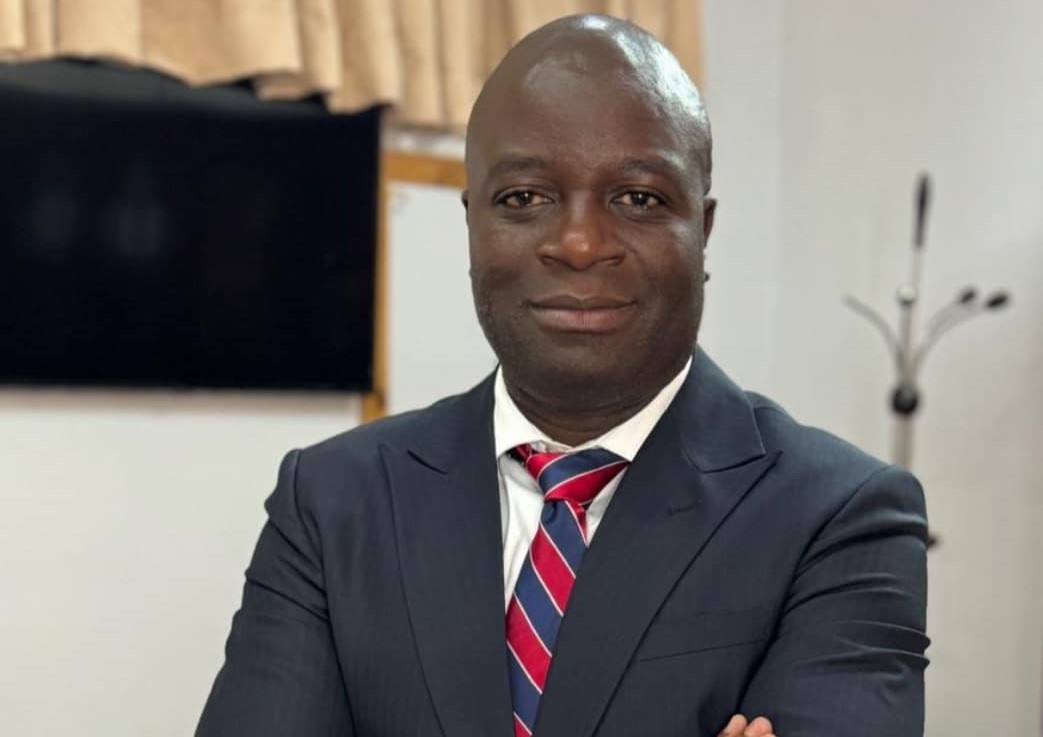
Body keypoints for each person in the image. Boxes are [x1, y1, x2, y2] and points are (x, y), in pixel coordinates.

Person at [196, 14, 928, 737]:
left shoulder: (839, 517)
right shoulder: (331, 504)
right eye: (524, 198)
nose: (579, 243)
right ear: (473, 224)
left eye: (638, 198)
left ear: (701, 231)